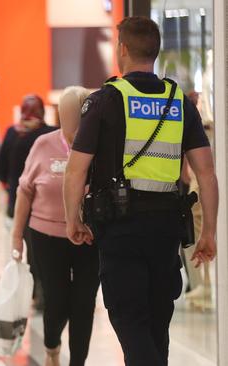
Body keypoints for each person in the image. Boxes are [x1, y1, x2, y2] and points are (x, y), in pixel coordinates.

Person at [64, 17, 218, 366]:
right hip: (166, 228)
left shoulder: (105, 100)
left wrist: (71, 218)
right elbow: (206, 174)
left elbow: (76, 170)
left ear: (122, 49)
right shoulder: (178, 101)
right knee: (156, 325)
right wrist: (208, 231)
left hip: (121, 228)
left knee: (130, 321)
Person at [12, 86, 98, 366]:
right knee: (57, 299)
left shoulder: (99, 145)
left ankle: (78, 362)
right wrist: (16, 237)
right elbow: (24, 191)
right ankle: (51, 347)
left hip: (88, 237)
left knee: (84, 303)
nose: (69, 119)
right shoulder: (44, 144)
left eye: (74, 113)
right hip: (46, 236)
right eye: (65, 114)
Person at [0, 94, 56, 218]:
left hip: (17, 196)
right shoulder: (52, 133)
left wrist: (9, 186)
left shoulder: (12, 132)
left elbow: (0, 169)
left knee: (16, 234)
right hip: (45, 201)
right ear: (42, 111)